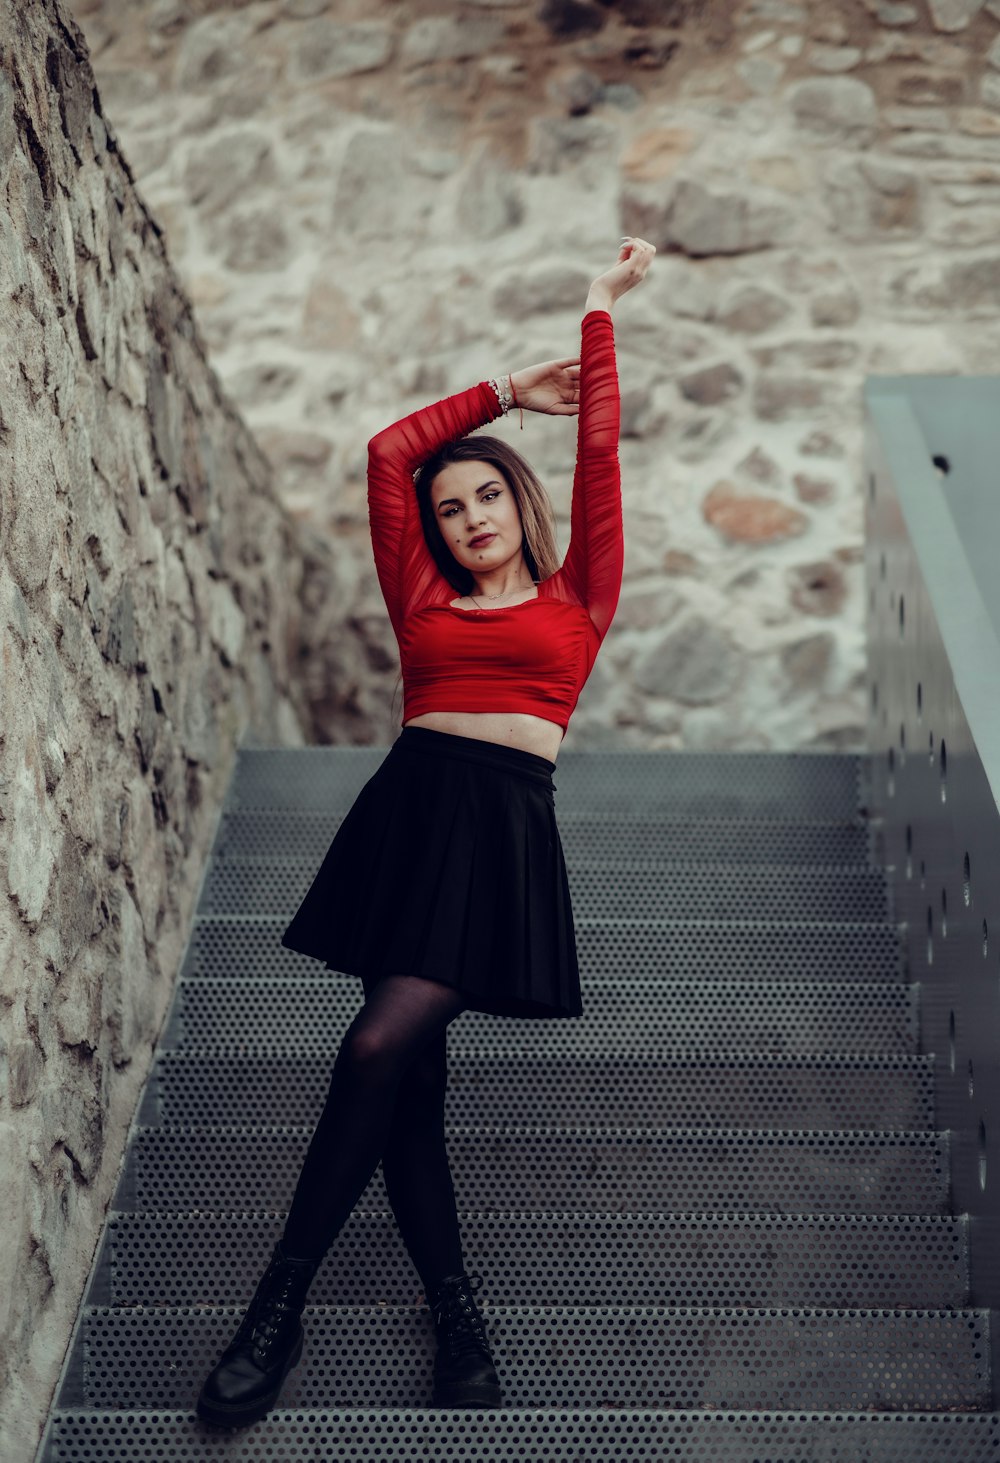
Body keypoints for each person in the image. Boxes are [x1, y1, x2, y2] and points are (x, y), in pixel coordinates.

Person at [196, 237, 656, 1428]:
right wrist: (501, 386)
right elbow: (387, 449)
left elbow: (599, 453)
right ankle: (458, 1322)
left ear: (519, 501)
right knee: (403, 1088)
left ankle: (274, 1312)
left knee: (370, 1050)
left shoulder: (580, 598)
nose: (464, 516)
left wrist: (595, 312)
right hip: (410, 812)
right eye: (448, 510)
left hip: (499, 832)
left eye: (485, 494)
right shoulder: (419, 596)